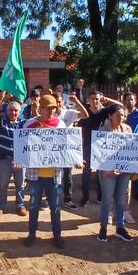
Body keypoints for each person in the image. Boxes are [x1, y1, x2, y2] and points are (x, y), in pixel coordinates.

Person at [22, 94, 82, 249]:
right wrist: (19, 160)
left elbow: (68, 146)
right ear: (40, 108)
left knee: (55, 208)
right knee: (34, 207)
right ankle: (32, 235)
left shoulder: (60, 125)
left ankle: (57, 236)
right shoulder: (29, 125)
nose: (51, 111)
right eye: (48, 108)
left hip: (54, 176)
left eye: (53, 108)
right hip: (35, 176)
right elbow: (23, 147)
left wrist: (76, 160)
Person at [96, 105, 136, 243]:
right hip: (108, 172)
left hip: (124, 171)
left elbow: (133, 151)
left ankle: (120, 228)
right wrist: (107, 170)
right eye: (118, 115)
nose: (121, 118)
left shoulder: (128, 129)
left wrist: (134, 168)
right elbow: (98, 153)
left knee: (120, 200)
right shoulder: (103, 130)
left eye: (124, 115)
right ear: (110, 116)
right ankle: (103, 229)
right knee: (107, 199)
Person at [78, 90, 123, 207]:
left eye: (97, 99)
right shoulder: (85, 112)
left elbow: (120, 106)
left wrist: (108, 99)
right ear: (89, 99)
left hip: (101, 146)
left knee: (101, 172)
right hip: (87, 145)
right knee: (86, 172)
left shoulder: (104, 112)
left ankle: (100, 197)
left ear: (100, 99)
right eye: (93, 98)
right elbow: (80, 131)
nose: (95, 101)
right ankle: (85, 197)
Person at [0, 91, 27, 218]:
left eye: (16, 111)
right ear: (7, 111)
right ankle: (1, 206)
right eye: (11, 110)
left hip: (20, 160)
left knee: (20, 184)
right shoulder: (2, 121)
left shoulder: (24, 124)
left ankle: (20, 205)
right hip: (5, 158)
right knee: (3, 184)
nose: (13, 113)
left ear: (20, 112)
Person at [53, 90, 89, 210]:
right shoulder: (49, 114)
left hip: (66, 149)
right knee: (52, 175)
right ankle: (50, 200)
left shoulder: (68, 113)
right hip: (52, 149)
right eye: (55, 102)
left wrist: (76, 101)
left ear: (63, 102)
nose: (57, 105)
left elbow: (85, 115)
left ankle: (67, 199)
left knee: (67, 176)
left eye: (59, 102)